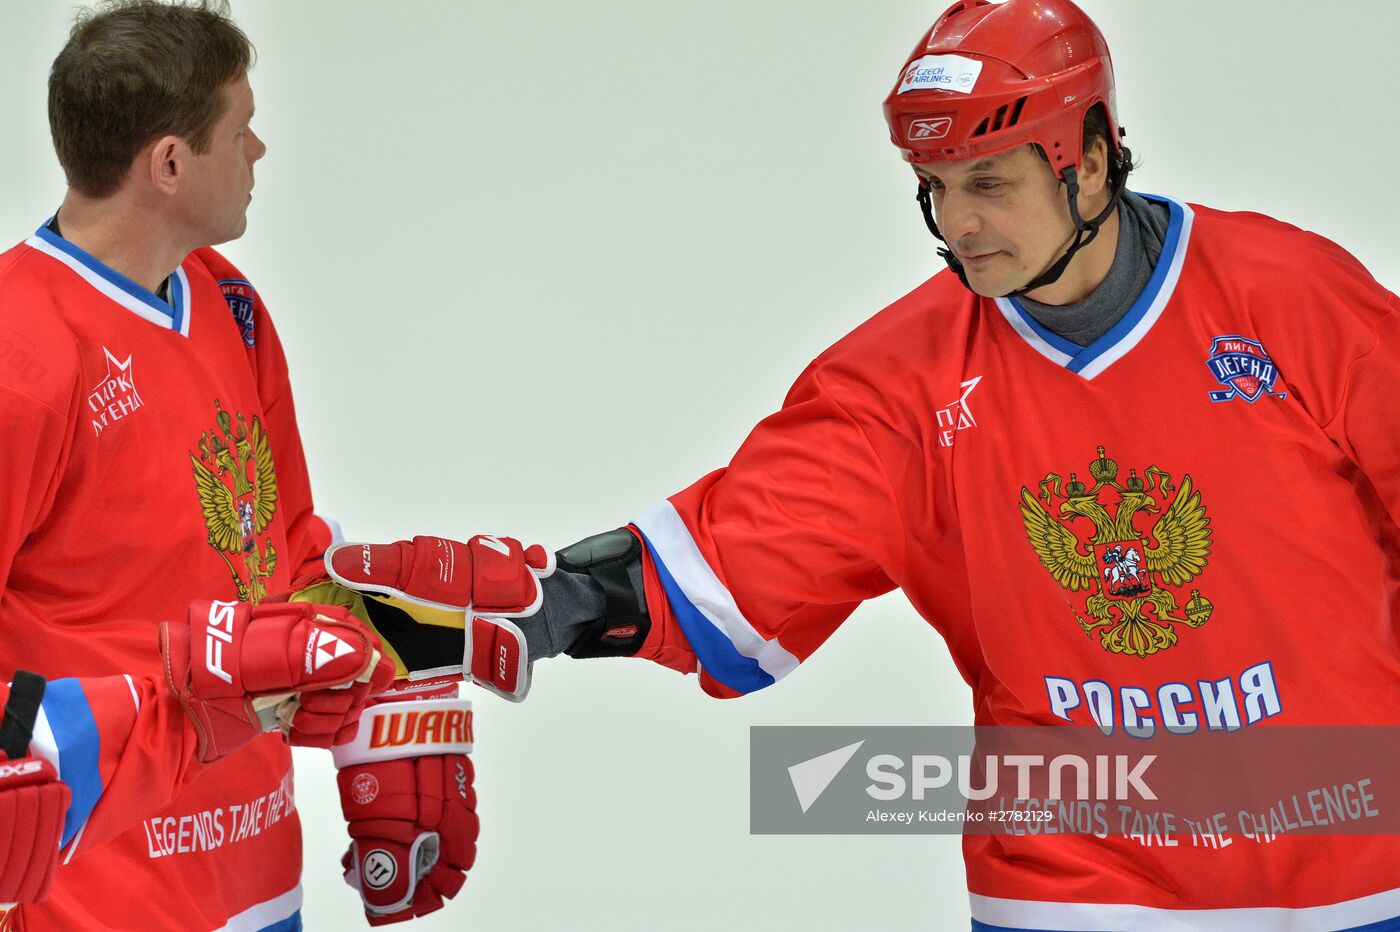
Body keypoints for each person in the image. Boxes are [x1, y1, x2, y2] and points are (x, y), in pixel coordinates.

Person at [295, 0, 1400, 928]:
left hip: (1353, 849)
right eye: (933, 186)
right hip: (1081, 874)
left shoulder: (1288, 298)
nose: (956, 223)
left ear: (1092, 157)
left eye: (989, 182)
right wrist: (514, 606)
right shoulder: (901, 382)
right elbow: (729, 562)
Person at [0, 2, 475, 928]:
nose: (259, 151)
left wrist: (383, 739)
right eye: (241, 128)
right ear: (170, 163)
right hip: (100, 893)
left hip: (256, 869)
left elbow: (286, 554)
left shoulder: (229, 302)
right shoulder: (19, 351)